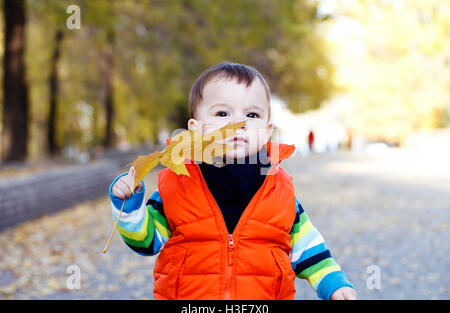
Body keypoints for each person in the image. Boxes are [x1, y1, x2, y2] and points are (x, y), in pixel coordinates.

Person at [109, 62, 357, 300]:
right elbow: (146, 241)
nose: (238, 124)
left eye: (251, 114)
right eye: (222, 113)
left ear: (267, 131)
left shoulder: (280, 190)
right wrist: (129, 206)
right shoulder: (176, 185)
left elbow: (309, 249)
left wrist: (334, 283)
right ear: (196, 128)